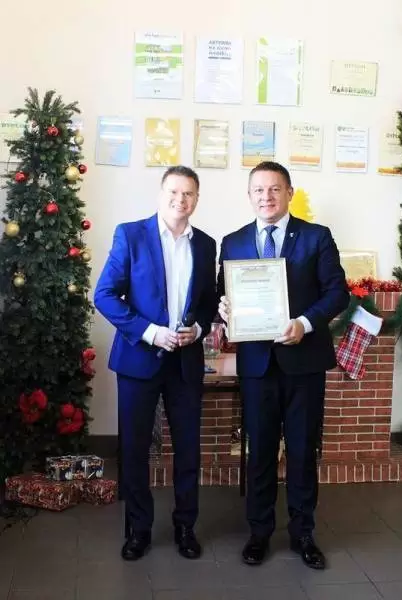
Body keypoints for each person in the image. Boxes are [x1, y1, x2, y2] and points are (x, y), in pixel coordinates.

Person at [217, 161, 349, 569]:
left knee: (302, 451)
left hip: (303, 362)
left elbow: (337, 293)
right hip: (257, 365)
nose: (267, 197)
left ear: (289, 192)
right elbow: (224, 295)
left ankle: (303, 533)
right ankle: (259, 533)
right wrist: (225, 309)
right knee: (259, 451)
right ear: (249, 195)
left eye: (275, 189)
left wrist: (304, 323)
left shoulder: (316, 237)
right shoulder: (233, 242)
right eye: (258, 190)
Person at [94, 166, 217, 561]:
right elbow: (105, 295)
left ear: (197, 199)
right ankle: (138, 530)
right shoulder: (131, 235)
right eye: (174, 192)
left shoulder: (206, 245)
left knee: (188, 449)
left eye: (188, 193)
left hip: (186, 362)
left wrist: (198, 329)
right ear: (161, 194)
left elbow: (208, 302)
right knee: (134, 449)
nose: (180, 200)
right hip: (138, 360)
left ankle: (185, 527)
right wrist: (150, 332)